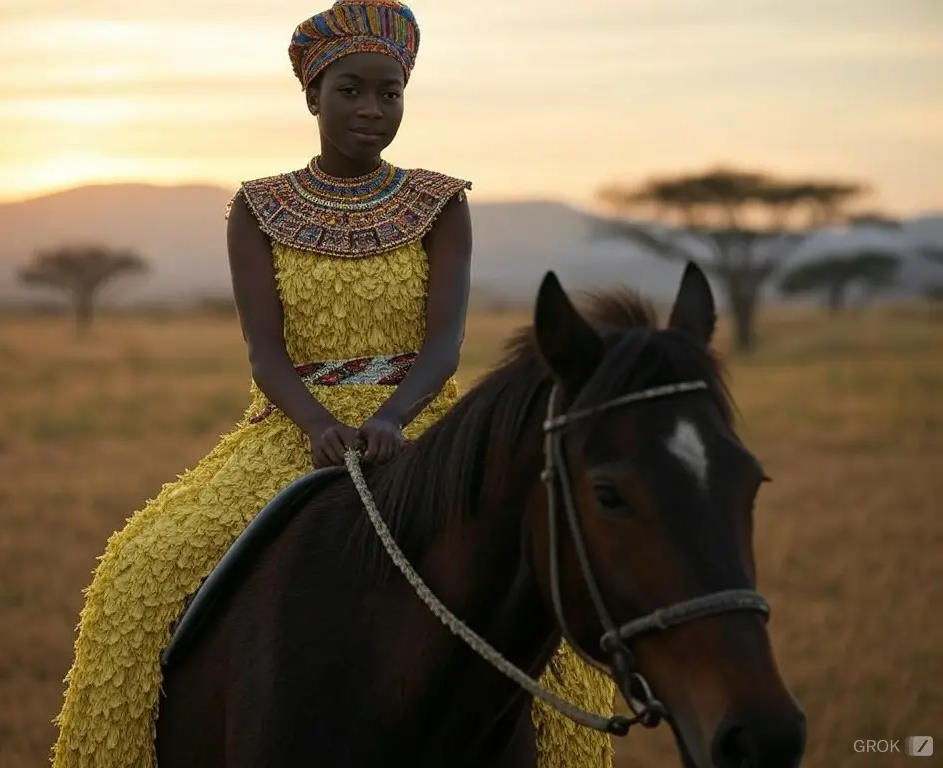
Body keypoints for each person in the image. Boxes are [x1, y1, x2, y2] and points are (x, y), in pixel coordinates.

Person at [50, 1, 617, 766]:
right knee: (138, 571)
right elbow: (265, 354)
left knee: (552, 594)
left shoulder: (441, 204)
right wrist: (319, 425)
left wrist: (393, 419)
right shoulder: (256, 208)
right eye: (351, 90)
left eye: (391, 93)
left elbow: (444, 345)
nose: (372, 110)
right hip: (291, 432)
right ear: (313, 95)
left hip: (423, 433)